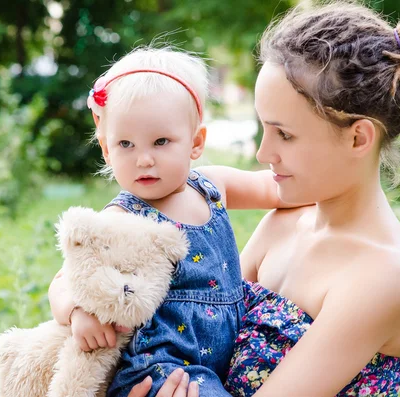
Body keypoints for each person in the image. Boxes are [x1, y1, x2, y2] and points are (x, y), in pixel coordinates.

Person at [130, 2, 400, 396]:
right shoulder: (285, 221)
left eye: (285, 135)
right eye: (265, 129)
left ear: (357, 137)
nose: (264, 154)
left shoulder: (385, 275)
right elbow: (199, 321)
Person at [47, 46, 297, 396]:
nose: (144, 159)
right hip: (162, 370)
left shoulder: (212, 186)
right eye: (126, 144)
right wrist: (77, 313)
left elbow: (278, 190)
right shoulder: (121, 219)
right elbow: (64, 280)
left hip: (224, 353)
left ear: (196, 142)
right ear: (106, 148)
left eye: (161, 141)